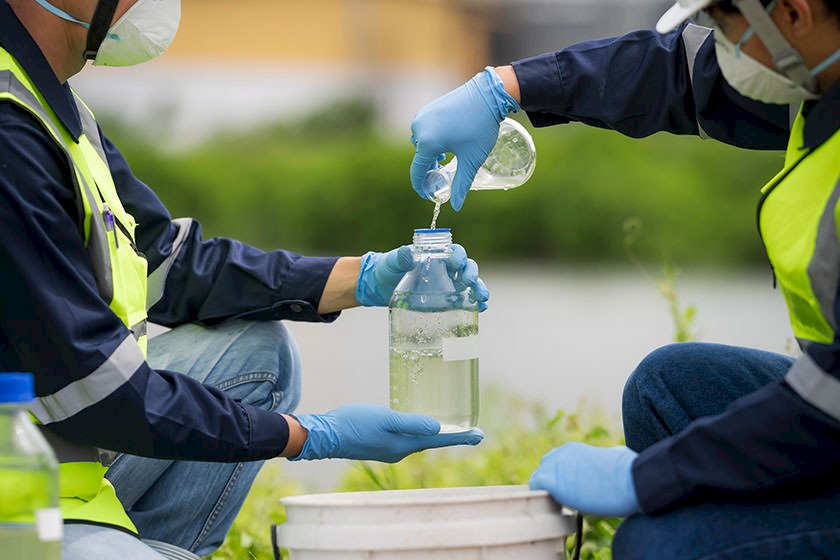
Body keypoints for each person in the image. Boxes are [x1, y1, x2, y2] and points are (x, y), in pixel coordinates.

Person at [0, 0, 490, 558]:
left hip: (65, 461)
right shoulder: (8, 127)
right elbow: (102, 391)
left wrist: (370, 277)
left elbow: (172, 264)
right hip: (17, 497)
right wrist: (306, 436)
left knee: (255, 349)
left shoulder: (51, 103)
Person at [409, 0, 840, 557]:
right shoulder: (814, 69)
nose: (722, 47)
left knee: (656, 547)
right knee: (668, 384)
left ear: (794, 15)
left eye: (728, 27)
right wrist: (507, 86)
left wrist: (653, 477)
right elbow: (677, 75)